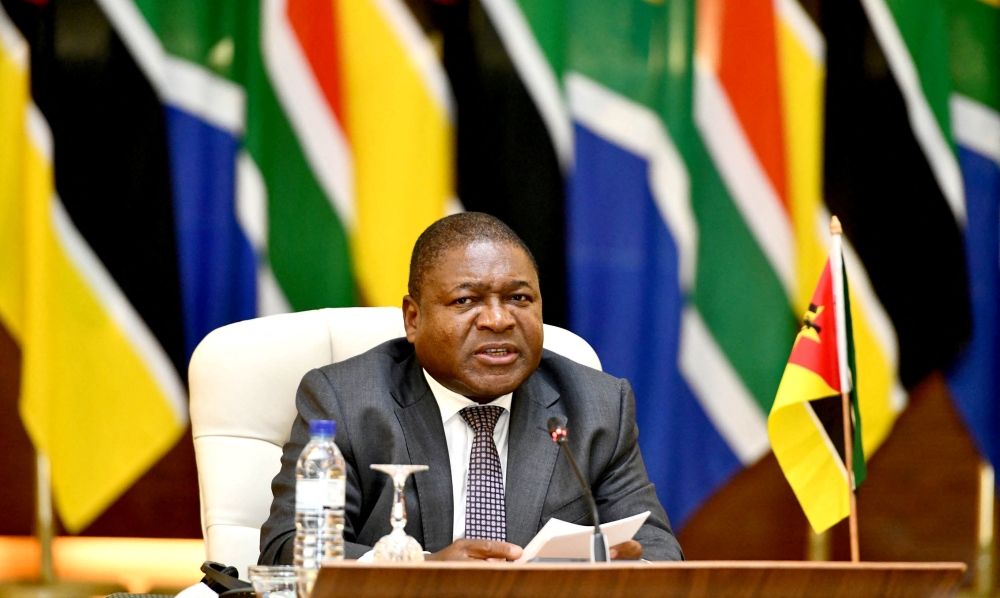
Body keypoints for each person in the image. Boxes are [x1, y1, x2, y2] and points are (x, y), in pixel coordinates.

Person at [258, 213, 683, 562]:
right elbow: (289, 550)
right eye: (466, 301)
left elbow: (661, 552)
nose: (498, 320)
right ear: (413, 318)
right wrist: (424, 570)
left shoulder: (597, 405)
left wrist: (629, 567)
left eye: (519, 299)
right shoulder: (344, 402)